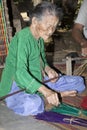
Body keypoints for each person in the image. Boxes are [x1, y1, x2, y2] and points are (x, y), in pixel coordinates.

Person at [0, 1, 85, 116]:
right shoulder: (23, 38)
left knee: (79, 82)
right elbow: (20, 73)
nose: (51, 31)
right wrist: (46, 91)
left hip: (39, 79)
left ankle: (52, 95)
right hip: (18, 85)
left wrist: (49, 70)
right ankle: (55, 95)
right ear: (35, 21)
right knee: (31, 105)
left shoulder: (39, 39)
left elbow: (43, 61)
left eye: (54, 27)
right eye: (48, 26)